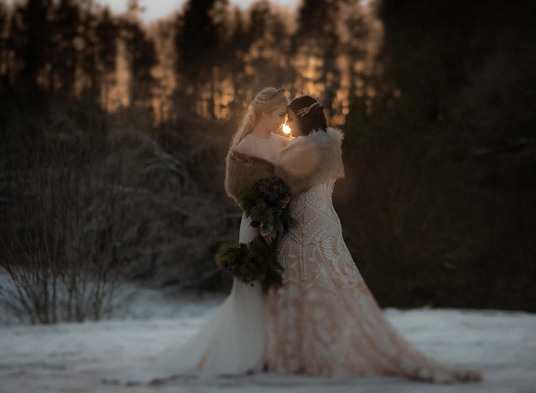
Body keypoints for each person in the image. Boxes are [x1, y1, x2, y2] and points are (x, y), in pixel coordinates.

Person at [265, 95, 482, 383]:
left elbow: (282, 191)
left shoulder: (303, 150)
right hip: (325, 221)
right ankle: (312, 347)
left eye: (290, 118)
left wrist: (262, 210)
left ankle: (307, 351)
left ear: (302, 118)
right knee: (329, 283)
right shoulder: (327, 145)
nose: (286, 124)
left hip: (307, 223)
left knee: (305, 279)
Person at [109, 87, 289, 384]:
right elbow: (238, 191)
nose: (284, 119)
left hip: (276, 223)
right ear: (265, 113)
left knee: (273, 287)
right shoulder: (245, 146)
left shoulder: (281, 142)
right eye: (280, 114)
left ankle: (271, 350)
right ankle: (248, 352)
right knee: (252, 287)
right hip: (257, 224)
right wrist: (263, 217)